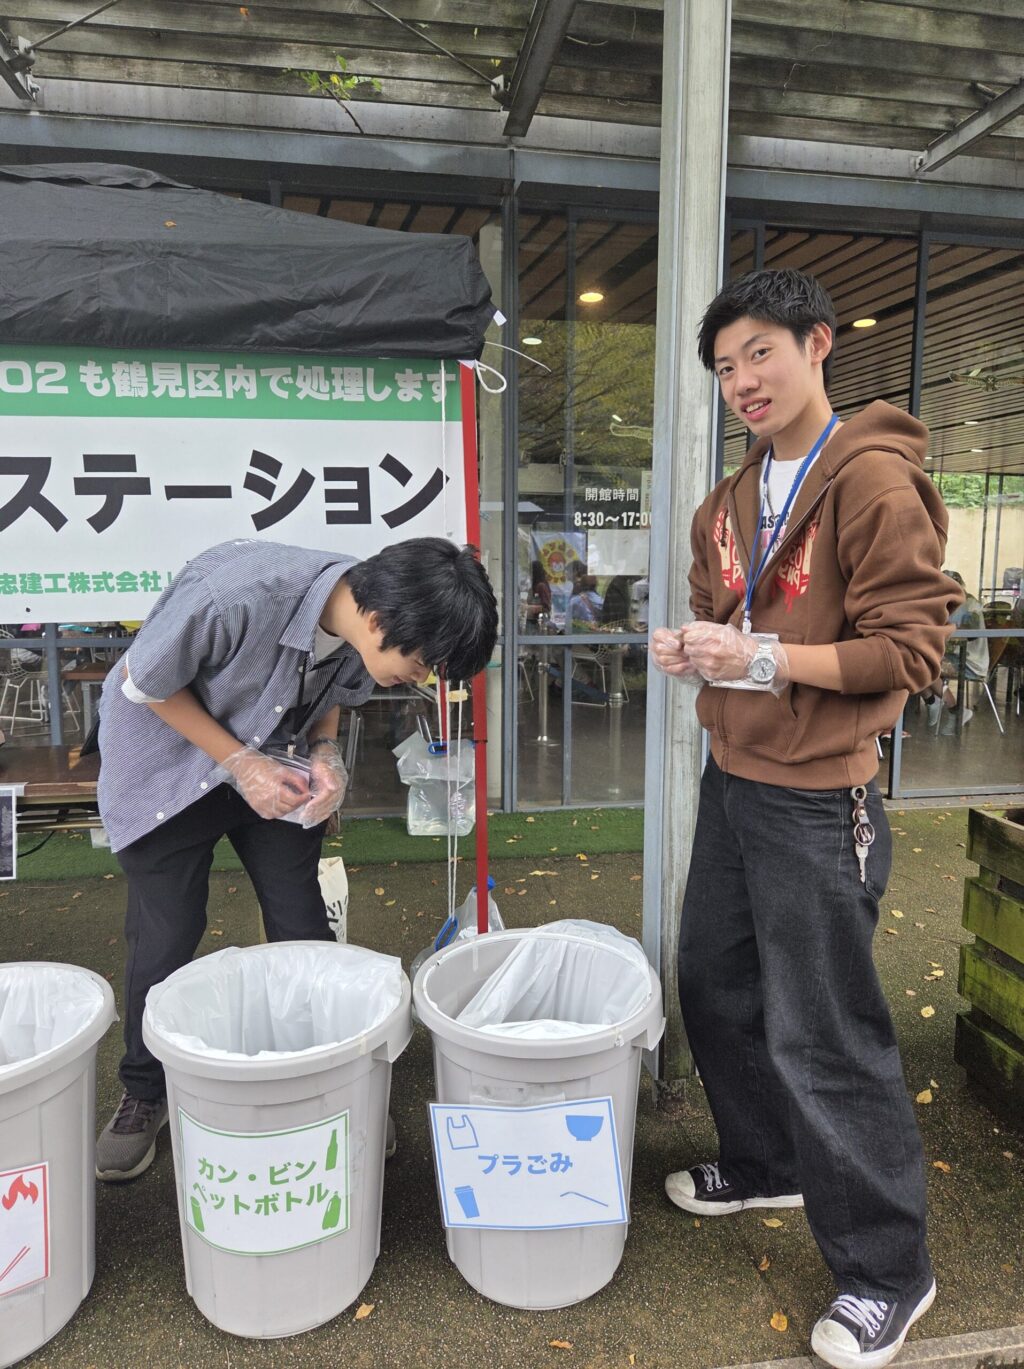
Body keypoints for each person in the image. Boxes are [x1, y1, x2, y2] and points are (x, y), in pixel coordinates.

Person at [650, 268, 960, 1369]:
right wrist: (699, 645)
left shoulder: (872, 481)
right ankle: (767, 1160)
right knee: (713, 980)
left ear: (817, 343)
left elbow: (911, 651)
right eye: (724, 366)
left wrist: (765, 655)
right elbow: (722, 612)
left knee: (823, 1029)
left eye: (760, 352)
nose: (742, 379)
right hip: (733, 778)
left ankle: (888, 1270)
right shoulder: (730, 500)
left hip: (823, 795)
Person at [94, 536, 497, 1182]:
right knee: (167, 929)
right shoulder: (233, 595)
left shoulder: (364, 619)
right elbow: (143, 684)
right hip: (168, 767)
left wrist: (324, 753)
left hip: (274, 760)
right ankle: (143, 1089)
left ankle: (330, 1073)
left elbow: (329, 688)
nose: (421, 680)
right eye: (422, 663)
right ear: (377, 620)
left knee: (301, 919)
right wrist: (239, 762)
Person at [921, 571, 987, 735]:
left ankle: (955, 710)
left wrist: (945, 629)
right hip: (955, 656)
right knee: (915, 662)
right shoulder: (949, 604)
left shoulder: (971, 604)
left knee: (925, 666)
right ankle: (933, 702)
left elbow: (971, 634)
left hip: (970, 661)